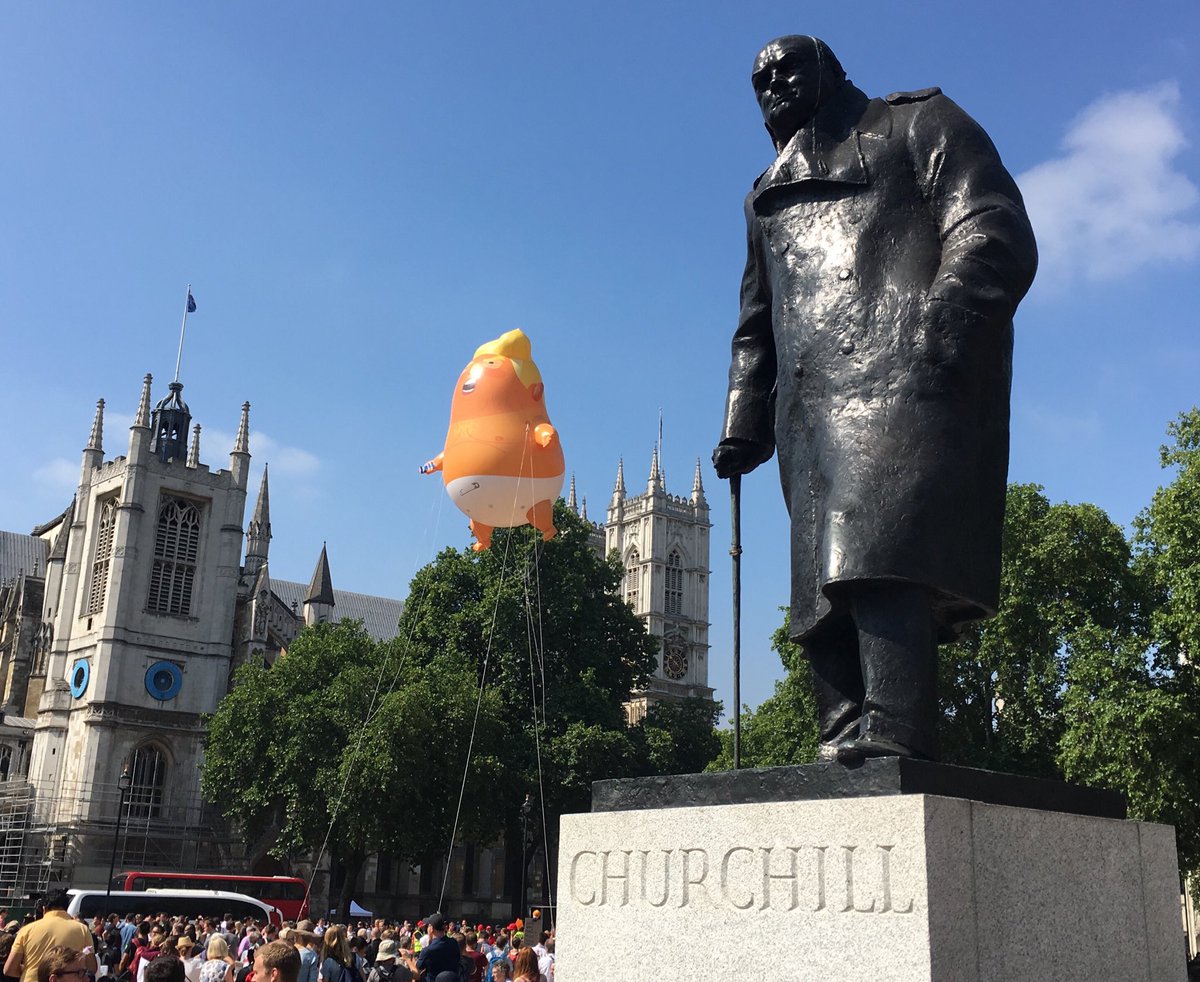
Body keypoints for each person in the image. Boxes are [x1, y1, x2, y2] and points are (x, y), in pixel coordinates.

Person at [714, 34, 1038, 762]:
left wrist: (941, 325)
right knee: (818, 587)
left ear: (831, 70)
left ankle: (897, 732)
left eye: (789, 67)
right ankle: (839, 734)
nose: (774, 83)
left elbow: (994, 226)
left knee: (878, 553)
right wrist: (743, 418)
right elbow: (755, 319)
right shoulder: (764, 194)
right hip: (807, 408)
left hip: (901, 376)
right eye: (759, 78)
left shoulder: (918, 124)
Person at [3, 892, 96, 982]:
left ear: (44, 909)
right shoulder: (82, 929)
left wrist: (29, 970)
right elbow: (91, 967)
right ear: (66, 908)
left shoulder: (26, 930)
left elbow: (9, 969)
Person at [412, 916, 457, 982]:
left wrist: (407, 959)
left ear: (431, 928)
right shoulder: (453, 943)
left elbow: (416, 974)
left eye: (428, 926)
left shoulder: (428, 950)